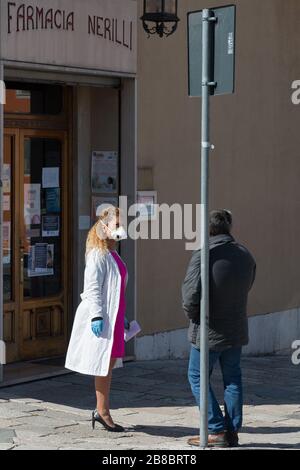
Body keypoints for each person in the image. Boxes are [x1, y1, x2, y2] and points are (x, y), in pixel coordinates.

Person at [182, 209, 256, 448]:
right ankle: (232, 431)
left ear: (208, 229)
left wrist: (194, 318)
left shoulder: (204, 255)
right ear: (228, 227)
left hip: (209, 329)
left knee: (197, 376)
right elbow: (248, 284)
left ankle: (216, 429)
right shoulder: (245, 255)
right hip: (235, 328)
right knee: (232, 379)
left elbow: (190, 294)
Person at [65, 205, 130, 433]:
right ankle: (102, 412)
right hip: (102, 317)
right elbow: (92, 288)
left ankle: (102, 410)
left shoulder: (113, 253)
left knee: (108, 365)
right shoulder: (98, 254)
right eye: (117, 225)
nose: (121, 229)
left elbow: (117, 289)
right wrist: (96, 316)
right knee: (103, 366)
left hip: (115, 317)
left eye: (122, 225)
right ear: (105, 227)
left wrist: (123, 318)